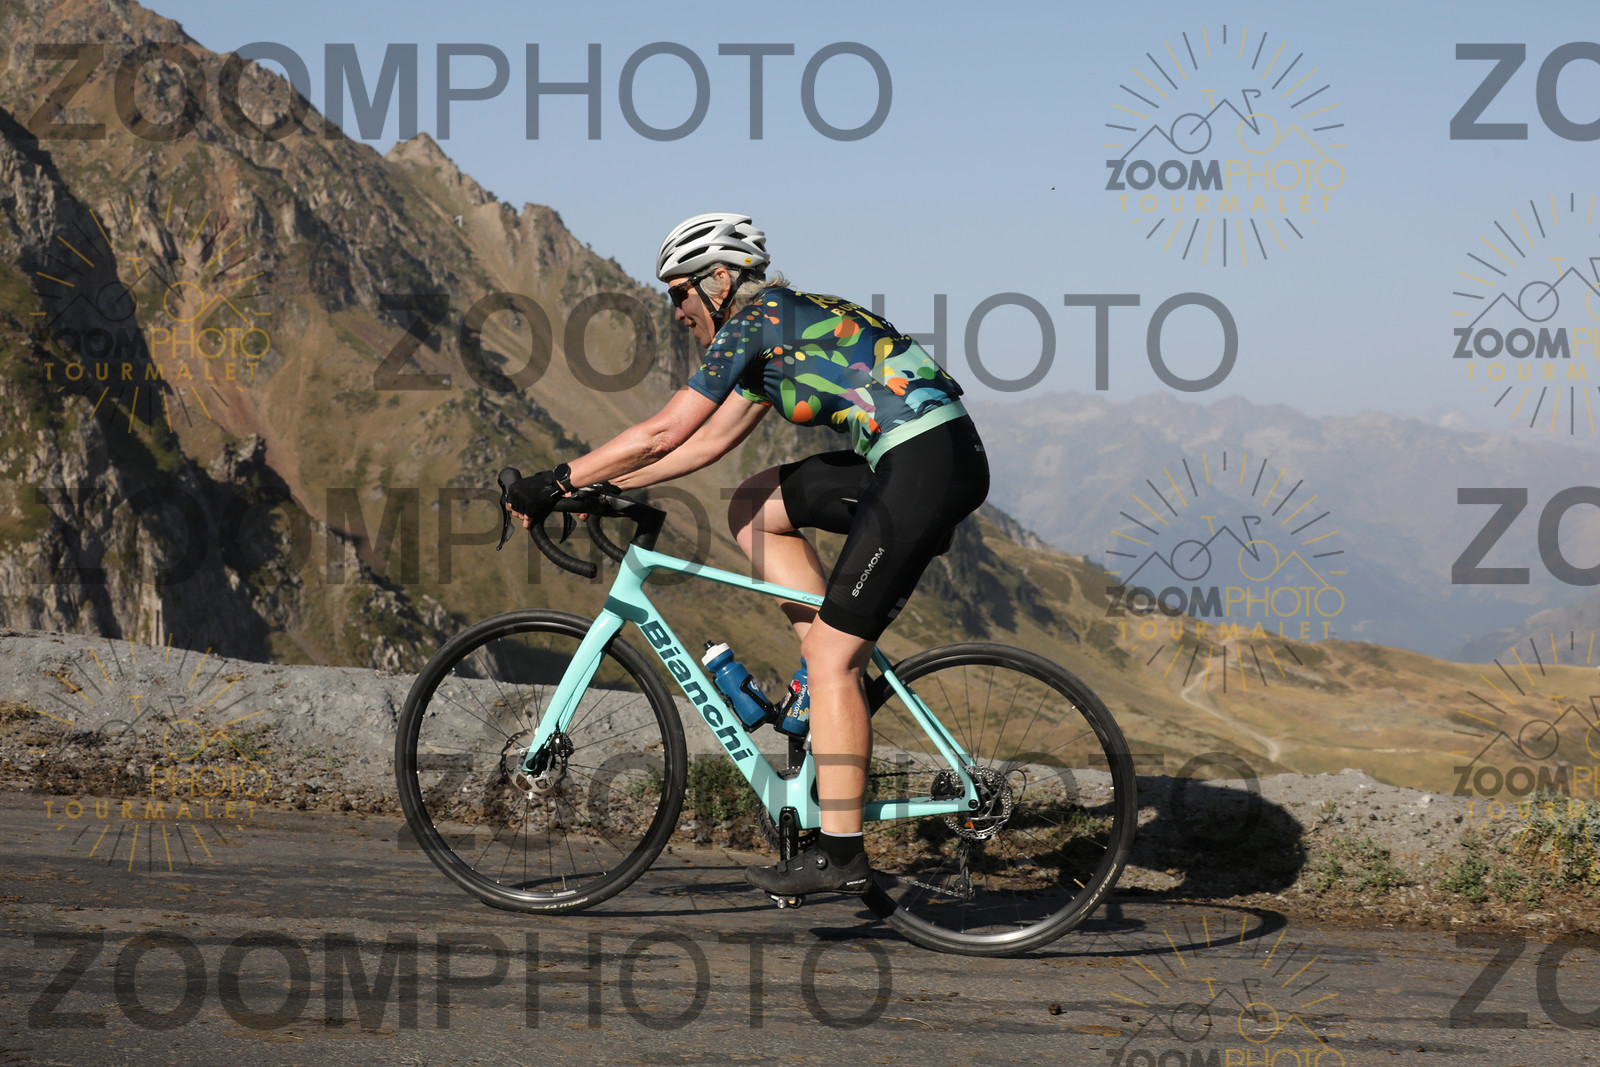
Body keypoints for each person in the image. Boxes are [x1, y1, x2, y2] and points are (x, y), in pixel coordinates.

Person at [505, 212, 989, 897]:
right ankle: (819, 671)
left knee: (837, 661)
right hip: (925, 455)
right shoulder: (779, 329)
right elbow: (702, 444)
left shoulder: (756, 323)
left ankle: (840, 855)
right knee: (756, 504)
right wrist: (603, 489)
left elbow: (663, 430)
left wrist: (556, 480)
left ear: (719, 280)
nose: (676, 312)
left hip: (924, 462)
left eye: (679, 293)